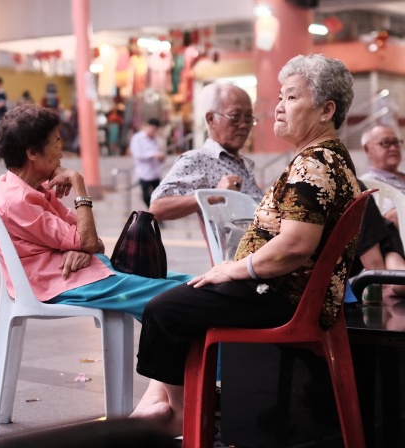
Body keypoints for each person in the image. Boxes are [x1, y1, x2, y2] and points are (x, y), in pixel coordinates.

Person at [130, 54, 361, 436]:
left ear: (326, 110)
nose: (279, 108)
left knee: (163, 310)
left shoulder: (315, 163)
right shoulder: (327, 158)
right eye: (281, 97)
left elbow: (294, 247)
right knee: (182, 302)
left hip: (282, 294)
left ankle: (178, 414)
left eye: (291, 97)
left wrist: (232, 269)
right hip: (289, 291)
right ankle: (163, 406)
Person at [0, 104, 192, 323]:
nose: (61, 152)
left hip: (82, 272)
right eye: (56, 142)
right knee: (175, 295)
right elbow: (87, 241)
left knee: (185, 283)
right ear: (32, 153)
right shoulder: (16, 200)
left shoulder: (35, 190)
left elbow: (94, 242)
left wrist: (83, 250)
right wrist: (78, 184)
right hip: (56, 283)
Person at [149, 82, 264, 223]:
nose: (243, 125)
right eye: (235, 116)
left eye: (248, 118)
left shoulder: (244, 163)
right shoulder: (199, 159)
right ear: (211, 119)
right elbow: (157, 208)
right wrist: (214, 195)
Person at [360, 125, 405, 229]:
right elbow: (394, 217)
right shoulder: (369, 182)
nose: (393, 148)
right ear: (368, 149)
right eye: (385, 143)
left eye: (396, 142)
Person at [130, 118, 166, 208]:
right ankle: (152, 212)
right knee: (146, 196)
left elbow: (161, 153)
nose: (153, 132)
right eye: (152, 129)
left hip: (155, 172)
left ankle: (156, 213)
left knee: (158, 195)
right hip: (144, 172)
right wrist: (153, 155)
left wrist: (161, 157)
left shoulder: (157, 140)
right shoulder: (137, 138)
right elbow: (137, 154)